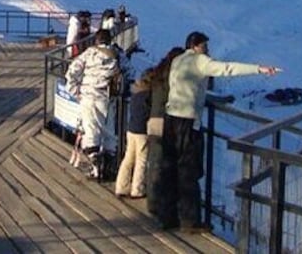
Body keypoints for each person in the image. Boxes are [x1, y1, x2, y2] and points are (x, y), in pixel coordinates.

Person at [158, 31, 280, 234]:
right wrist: (259, 69)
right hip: (188, 121)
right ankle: (190, 220)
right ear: (196, 46)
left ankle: (167, 216)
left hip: (170, 117)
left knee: (170, 168)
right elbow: (227, 68)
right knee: (189, 170)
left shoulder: (178, 60)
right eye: (205, 45)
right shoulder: (200, 61)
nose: (207, 49)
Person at [65, 28, 121, 179]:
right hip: (108, 98)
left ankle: (96, 168)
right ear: (110, 40)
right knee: (109, 133)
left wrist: (76, 91)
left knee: (91, 133)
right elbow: (128, 73)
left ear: (96, 41)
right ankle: (108, 166)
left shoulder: (89, 53)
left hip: (88, 97)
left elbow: (72, 71)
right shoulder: (116, 55)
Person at [145, 46, 185, 216]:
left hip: (153, 119)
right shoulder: (174, 78)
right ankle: (163, 204)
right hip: (167, 122)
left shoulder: (157, 74)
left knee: (153, 161)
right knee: (165, 164)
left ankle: (152, 201)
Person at [115, 73, 151, 199]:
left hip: (131, 129)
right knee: (141, 160)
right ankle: (138, 188)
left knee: (128, 158)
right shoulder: (148, 97)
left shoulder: (135, 95)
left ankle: (121, 186)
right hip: (142, 131)